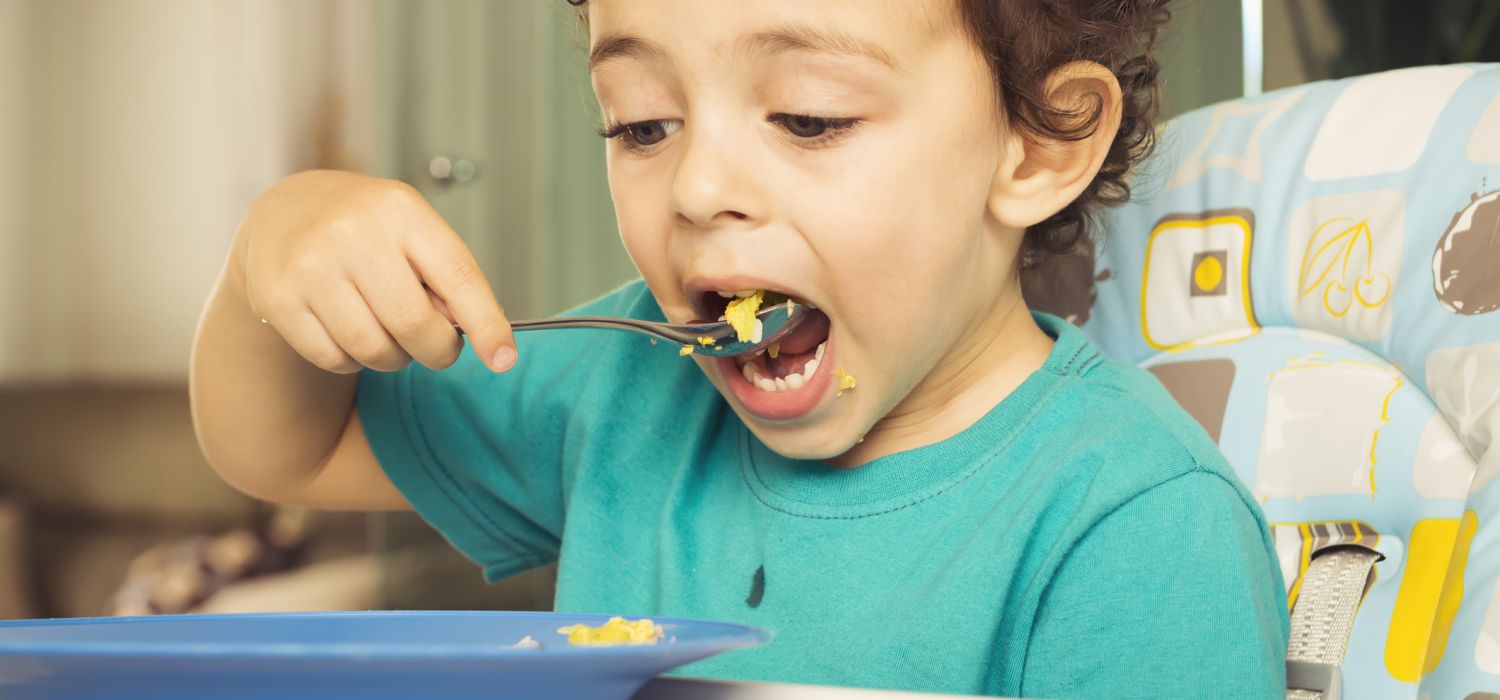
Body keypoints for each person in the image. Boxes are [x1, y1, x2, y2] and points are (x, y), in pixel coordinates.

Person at [190, 1, 1288, 696]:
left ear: (1039, 143)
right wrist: (266, 262)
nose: (699, 188)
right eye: (641, 124)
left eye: (809, 118)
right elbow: (290, 447)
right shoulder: (623, 387)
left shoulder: (1141, 528)